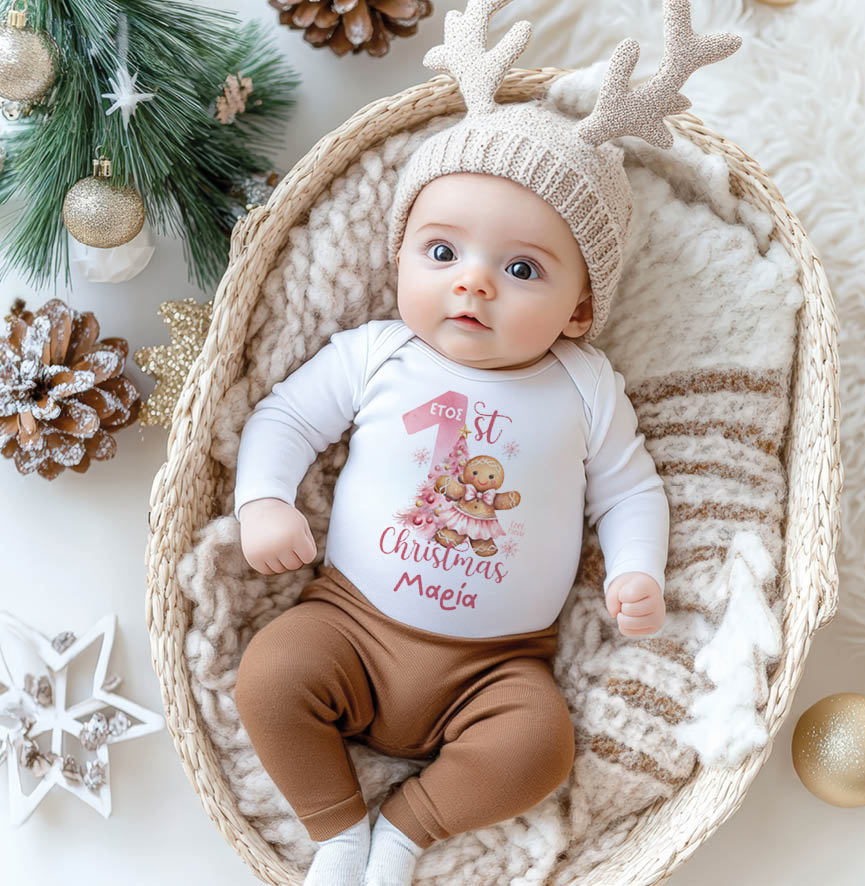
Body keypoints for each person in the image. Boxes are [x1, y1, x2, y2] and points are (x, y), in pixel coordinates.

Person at [231, 2, 739, 884]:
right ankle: (336, 828)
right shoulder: (377, 353)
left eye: (521, 269)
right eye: (440, 251)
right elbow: (284, 418)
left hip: (495, 671)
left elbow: (631, 492)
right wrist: (264, 499)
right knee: (270, 678)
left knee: (540, 749)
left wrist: (636, 571)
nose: (473, 282)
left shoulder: (583, 386)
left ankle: (407, 830)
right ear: (397, 261)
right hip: (347, 622)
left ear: (579, 309)